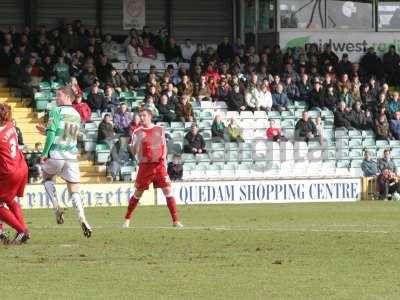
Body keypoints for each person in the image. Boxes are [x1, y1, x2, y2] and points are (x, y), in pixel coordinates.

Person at [36, 86, 92, 238]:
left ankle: (56, 207)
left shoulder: (56, 111)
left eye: (58, 95)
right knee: (74, 190)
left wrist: (45, 152)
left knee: (47, 178)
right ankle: (83, 218)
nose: (56, 98)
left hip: (56, 154)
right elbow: (66, 134)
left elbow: (52, 134)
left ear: (68, 97)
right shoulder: (76, 114)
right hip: (71, 157)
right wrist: (46, 131)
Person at [123, 108, 182, 228]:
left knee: (168, 191)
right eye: (140, 116)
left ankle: (176, 221)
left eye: (144, 115)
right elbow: (133, 152)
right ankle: (127, 219)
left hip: (159, 166)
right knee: (138, 194)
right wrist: (134, 145)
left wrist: (165, 161)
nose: (142, 118)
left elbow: (164, 146)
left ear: (150, 116)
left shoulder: (159, 129)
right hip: (145, 167)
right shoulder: (137, 132)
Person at [0, 103, 30, 244]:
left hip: (10, 172)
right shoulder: (11, 126)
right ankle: (23, 230)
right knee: (10, 200)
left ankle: (21, 231)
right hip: (21, 166)